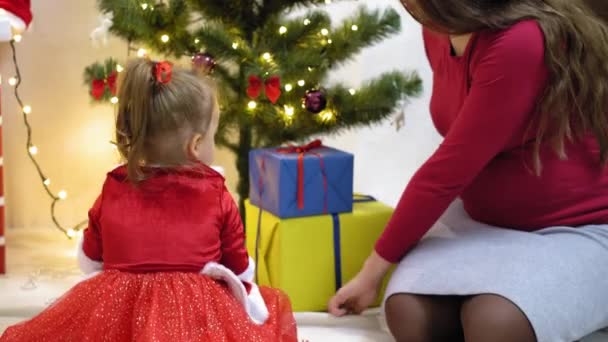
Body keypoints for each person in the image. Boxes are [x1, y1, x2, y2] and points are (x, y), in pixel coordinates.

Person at [329, 0, 608, 341]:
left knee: (493, 324)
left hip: (579, 227)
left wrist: (369, 274)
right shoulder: (436, 28)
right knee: (409, 313)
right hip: (481, 222)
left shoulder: (519, 42)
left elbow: (445, 173)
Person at [1, 59, 297, 342]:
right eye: (212, 138)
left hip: (120, 309)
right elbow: (239, 266)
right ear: (195, 145)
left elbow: (90, 258)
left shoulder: (115, 186)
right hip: (196, 313)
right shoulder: (215, 192)